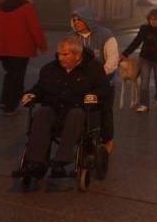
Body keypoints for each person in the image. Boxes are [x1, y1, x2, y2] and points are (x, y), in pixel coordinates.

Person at [12, 36, 108, 180]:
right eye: (58, 54)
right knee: (42, 112)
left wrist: (94, 96)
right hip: (55, 112)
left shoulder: (93, 68)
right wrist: (31, 95)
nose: (60, 58)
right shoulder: (50, 69)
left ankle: (60, 162)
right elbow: (40, 88)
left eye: (65, 54)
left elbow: (104, 89)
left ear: (77, 55)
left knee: (75, 114)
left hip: (80, 113)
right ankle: (35, 163)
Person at [0, 0, 48, 116]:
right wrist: (42, 46)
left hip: (4, 50)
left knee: (10, 75)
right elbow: (35, 29)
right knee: (17, 77)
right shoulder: (28, 8)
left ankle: (6, 101)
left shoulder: (0, 7)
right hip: (21, 51)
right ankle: (10, 105)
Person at [71, 7, 118, 154]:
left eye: (79, 19)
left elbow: (112, 60)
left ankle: (108, 139)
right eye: (74, 20)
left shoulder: (105, 35)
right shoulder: (71, 36)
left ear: (88, 20)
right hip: (79, 82)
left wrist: (98, 75)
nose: (76, 22)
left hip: (103, 82)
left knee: (105, 111)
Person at [120, 8, 157, 112]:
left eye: (155, 19)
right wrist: (125, 53)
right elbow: (136, 42)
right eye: (151, 19)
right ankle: (144, 104)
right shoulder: (144, 28)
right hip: (145, 58)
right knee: (144, 83)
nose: (153, 21)